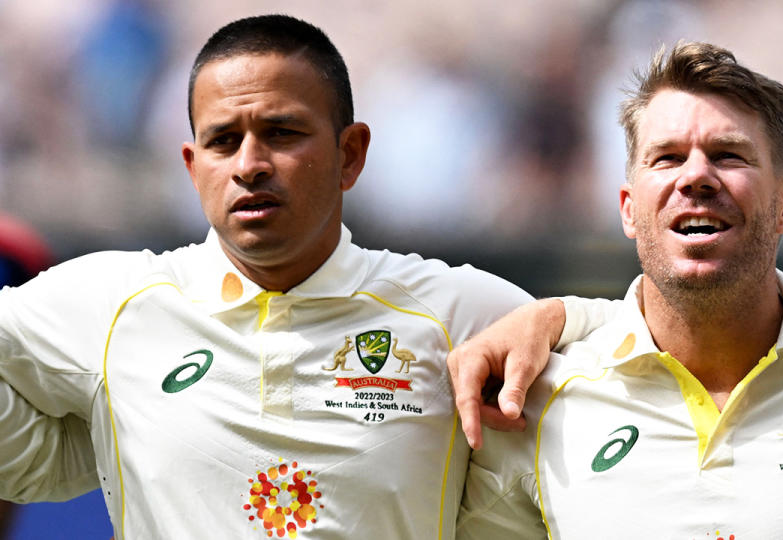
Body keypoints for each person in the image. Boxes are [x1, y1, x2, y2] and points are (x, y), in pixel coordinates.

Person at [0, 15, 532, 539]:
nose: (249, 164)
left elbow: (610, 369)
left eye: (281, 133)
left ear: (350, 154)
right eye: (223, 141)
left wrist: (566, 315)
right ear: (192, 166)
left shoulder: (458, 312)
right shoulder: (115, 303)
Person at [453, 42, 783, 538]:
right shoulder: (530, 404)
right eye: (668, 158)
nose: (696, 175)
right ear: (629, 208)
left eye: (728, 154)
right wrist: (554, 315)